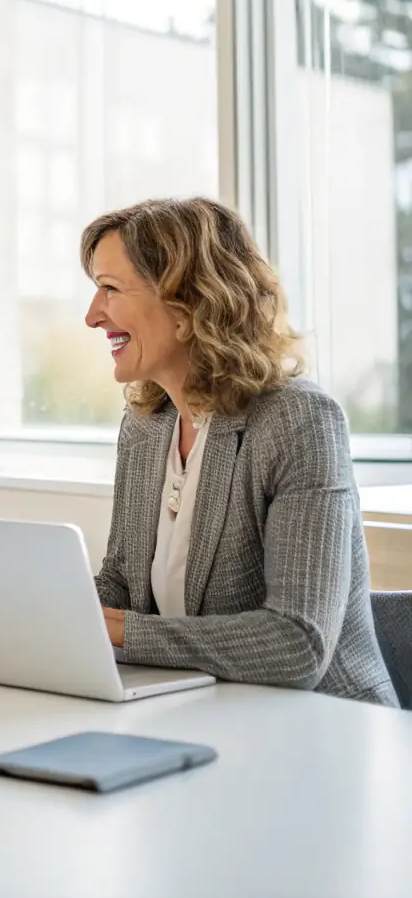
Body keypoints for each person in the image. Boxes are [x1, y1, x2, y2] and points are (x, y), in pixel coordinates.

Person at [82, 196, 397, 706]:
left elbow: (297, 643)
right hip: (206, 712)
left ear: (186, 304)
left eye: (110, 290)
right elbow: (121, 584)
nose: (93, 316)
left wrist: (124, 632)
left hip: (326, 731)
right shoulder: (145, 426)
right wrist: (36, 616)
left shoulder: (298, 422)